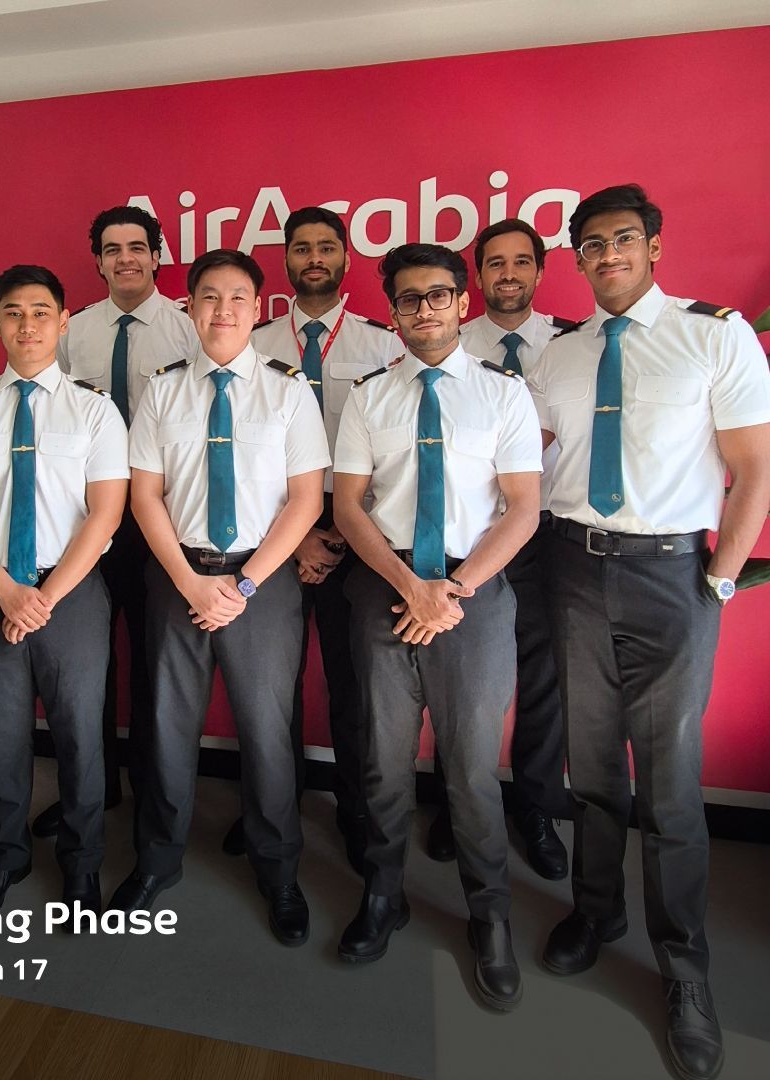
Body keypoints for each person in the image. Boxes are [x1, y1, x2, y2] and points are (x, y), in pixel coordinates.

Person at [531, 184, 770, 1080]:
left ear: (655, 246)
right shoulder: (560, 354)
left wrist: (718, 583)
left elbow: (754, 468)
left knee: (669, 785)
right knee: (593, 769)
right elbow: (530, 460)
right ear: (579, 259)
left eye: (622, 239)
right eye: (590, 245)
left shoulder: (715, 336)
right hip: (573, 568)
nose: (607, 256)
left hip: (673, 576)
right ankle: (597, 911)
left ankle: (684, 971)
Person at [333, 244, 541, 1010]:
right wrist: (410, 588)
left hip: (471, 595)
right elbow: (348, 506)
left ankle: (490, 916)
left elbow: (523, 507)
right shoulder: (369, 398)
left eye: (439, 295)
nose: (424, 308)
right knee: (383, 763)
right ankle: (383, 894)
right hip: (386, 589)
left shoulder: (504, 395)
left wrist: (452, 590)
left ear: (463, 302)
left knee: (471, 769)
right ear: (393, 310)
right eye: (409, 298)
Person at [107, 249, 328, 945]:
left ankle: (278, 868)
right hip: (179, 576)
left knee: (268, 734)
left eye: (237, 297)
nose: (223, 309)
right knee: (167, 727)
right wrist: (188, 581)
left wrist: (246, 582)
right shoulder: (163, 390)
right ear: (191, 308)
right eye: (209, 296)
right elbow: (145, 496)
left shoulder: (290, 391)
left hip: (262, 582)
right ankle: (156, 860)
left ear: (258, 309)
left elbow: (305, 499)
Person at [0, 264, 128, 916]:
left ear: (63, 322)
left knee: (80, 738)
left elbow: (105, 514)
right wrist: (6, 591)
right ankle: (5, 859)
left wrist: (43, 597)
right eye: (13, 312)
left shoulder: (95, 410)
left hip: (72, 595)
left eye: (41, 312)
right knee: (0, 736)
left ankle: (81, 867)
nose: (28, 324)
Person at [212, 206, 403, 873]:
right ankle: (273, 807)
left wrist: (341, 534)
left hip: (358, 538)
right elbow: (236, 460)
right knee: (270, 690)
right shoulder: (253, 343)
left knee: (355, 687)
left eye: (326, 247)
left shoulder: (382, 345)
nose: (314, 258)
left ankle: (356, 811)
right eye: (301, 248)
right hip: (271, 539)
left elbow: (394, 459)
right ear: (286, 260)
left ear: (347, 257)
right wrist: (295, 539)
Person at [33, 205, 197, 842]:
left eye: (136, 247)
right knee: (86, 666)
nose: (125, 258)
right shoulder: (72, 333)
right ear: (98, 261)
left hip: (163, 522)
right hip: (85, 524)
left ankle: (157, 793)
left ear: (157, 256)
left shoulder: (187, 328)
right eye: (112, 249)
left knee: (157, 664)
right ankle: (93, 791)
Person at [425, 218, 577, 878]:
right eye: (495, 263)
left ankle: (536, 807)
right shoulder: (447, 345)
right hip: (463, 540)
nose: (508, 273)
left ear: (539, 271)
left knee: (543, 680)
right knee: (453, 677)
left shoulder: (571, 346)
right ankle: (454, 803)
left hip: (545, 535)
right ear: (476, 279)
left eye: (521, 261)